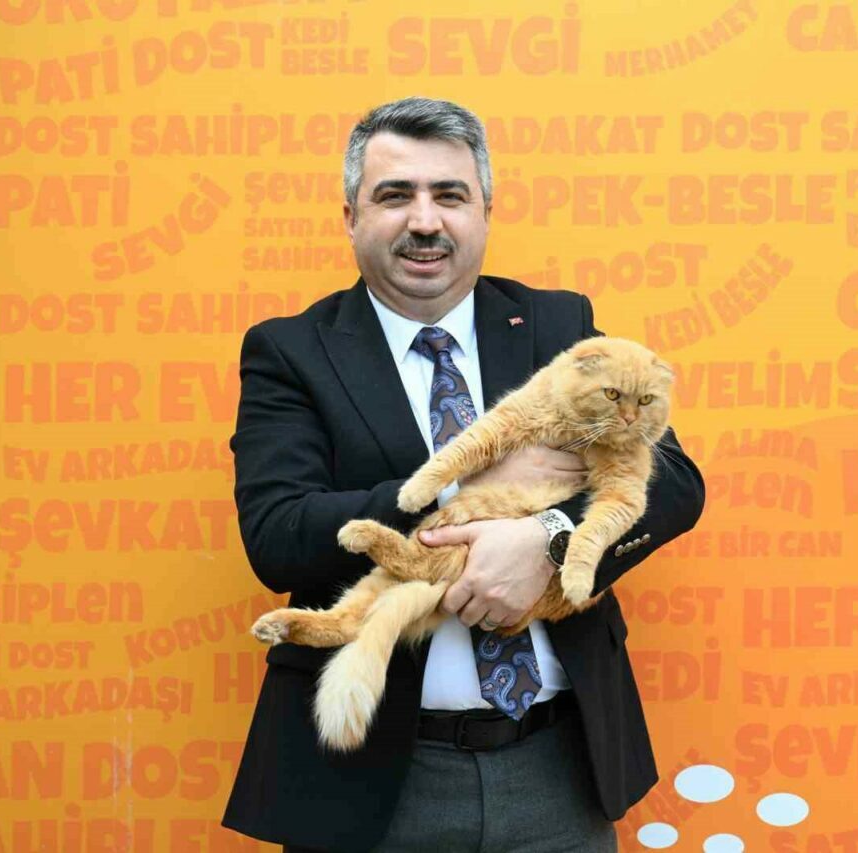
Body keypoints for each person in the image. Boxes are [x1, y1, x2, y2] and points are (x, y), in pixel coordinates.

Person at [221, 96, 705, 853]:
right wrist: (459, 491)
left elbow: (674, 485)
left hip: (559, 770)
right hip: (371, 783)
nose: (425, 221)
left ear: (485, 212)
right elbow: (279, 536)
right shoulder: (291, 351)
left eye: (449, 195)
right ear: (350, 216)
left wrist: (547, 539)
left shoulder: (557, 324)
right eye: (395, 195)